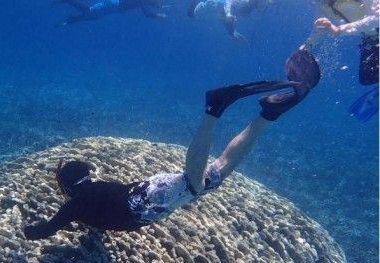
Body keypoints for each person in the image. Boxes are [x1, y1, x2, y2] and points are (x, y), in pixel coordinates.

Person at [23, 50, 320, 240]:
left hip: (145, 202)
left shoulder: (75, 204)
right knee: (216, 172)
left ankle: (214, 108)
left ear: (68, 186)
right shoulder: (91, 192)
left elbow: (43, 232)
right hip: (146, 193)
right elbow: (102, 206)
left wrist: (21, 229)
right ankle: (269, 115)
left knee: (196, 184)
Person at [187, 0, 273, 41]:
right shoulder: (246, 2)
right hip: (217, 6)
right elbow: (228, 2)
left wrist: (232, 32)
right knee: (195, 13)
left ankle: (194, 11)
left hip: (218, 10)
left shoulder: (249, 7)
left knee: (197, 13)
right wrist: (228, 14)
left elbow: (225, 18)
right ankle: (194, 10)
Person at [53, 0, 166, 25]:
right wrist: (65, 23)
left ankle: (159, 6)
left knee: (142, 3)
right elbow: (77, 18)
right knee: (142, 3)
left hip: (117, 5)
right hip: (118, 6)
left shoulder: (90, 13)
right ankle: (159, 6)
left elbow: (77, 18)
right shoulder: (91, 15)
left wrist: (65, 23)